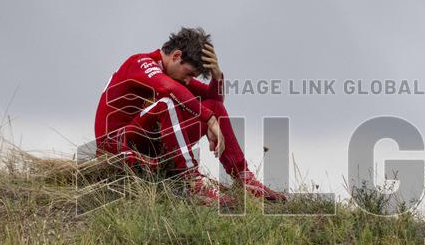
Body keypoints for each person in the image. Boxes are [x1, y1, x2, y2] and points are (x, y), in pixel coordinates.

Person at [94, 27, 285, 204]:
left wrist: (217, 76)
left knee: (213, 108)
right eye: (189, 74)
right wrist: (208, 119)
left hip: (147, 146)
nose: (188, 80)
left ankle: (244, 179)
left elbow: (214, 102)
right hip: (117, 147)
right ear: (176, 56)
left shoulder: (173, 73)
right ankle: (192, 183)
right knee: (168, 103)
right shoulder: (140, 62)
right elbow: (169, 88)